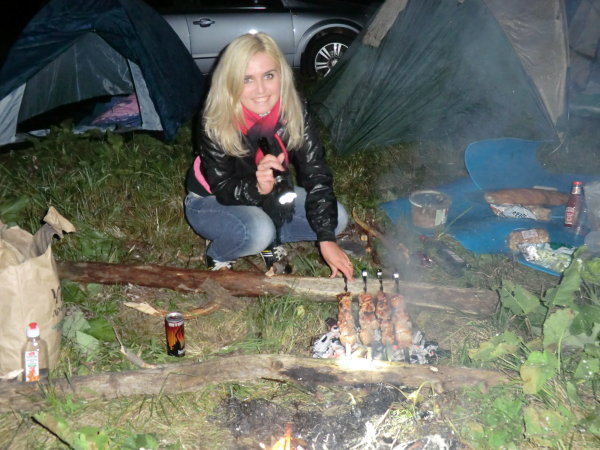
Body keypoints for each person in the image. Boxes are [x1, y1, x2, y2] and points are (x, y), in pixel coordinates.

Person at [184, 32, 353, 281]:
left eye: (269, 76)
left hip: (269, 195)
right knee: (257, 231)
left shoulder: (294, 111)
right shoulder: (215, 119)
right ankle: (218, 253)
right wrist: (257, 188)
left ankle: (269, 238)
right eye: (247, 79)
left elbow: (316, 173)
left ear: (281, 75)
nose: (261, 90)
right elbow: (223, 187)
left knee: (336, 219)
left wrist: (326, 239)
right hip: (211, 200)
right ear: (231, 82)